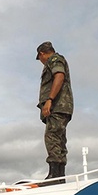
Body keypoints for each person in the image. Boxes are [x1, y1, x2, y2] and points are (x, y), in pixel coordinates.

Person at [36, 41, 74, 181]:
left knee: (52, 137)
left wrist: (49, 99)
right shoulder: (58, 59)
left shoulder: (54, 60)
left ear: (42, 54)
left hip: (58, 106)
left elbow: (59, 76)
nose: (41, 61)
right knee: (58, 138)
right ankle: (60, 176)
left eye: (39, 58)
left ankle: (54, 176)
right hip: (63, 107)